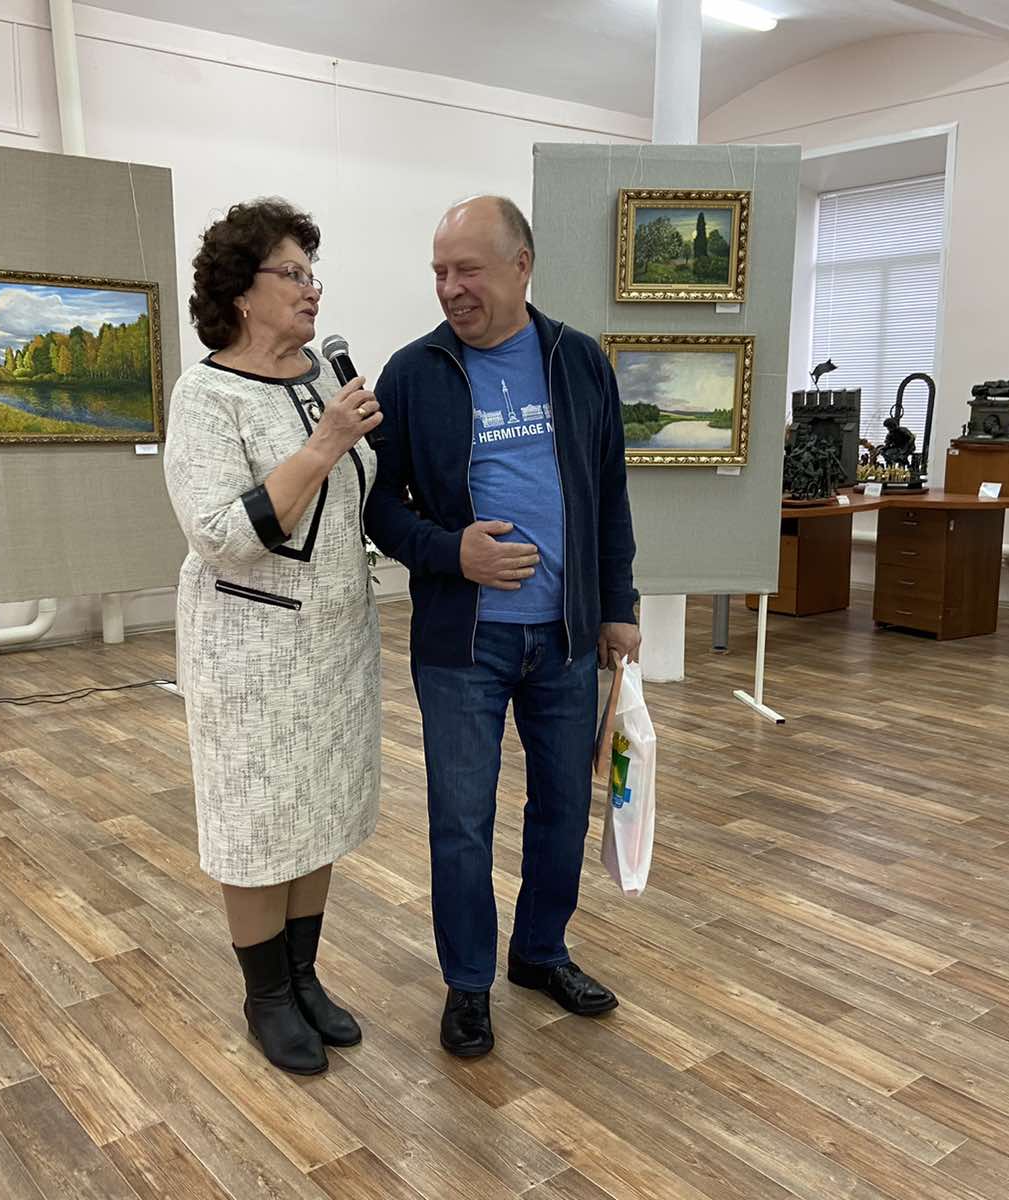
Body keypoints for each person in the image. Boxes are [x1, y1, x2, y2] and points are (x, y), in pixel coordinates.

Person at [364, 195, 640, 1058]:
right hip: (464, 643)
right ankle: (468, 983)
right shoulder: (413, 373)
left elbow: (609, 490)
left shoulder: (578, 360)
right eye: (440, 272)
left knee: (563, 805)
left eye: (468, 270)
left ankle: (541, 951)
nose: (451, 288)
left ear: (521, 266)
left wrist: (620, 605)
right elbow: (379, 507)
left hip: (565, 635)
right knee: (461, 819)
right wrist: (453, 552)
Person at [164, 198, 383, 1076]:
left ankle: (303, 977)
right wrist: (325, 445)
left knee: (318, 808)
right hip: (249, 653)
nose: (310, 288)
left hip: (335, 641)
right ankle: (265, 997)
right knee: (258, 818)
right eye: (292, 273)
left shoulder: (322, 378)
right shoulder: (206, 395)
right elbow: (219, 533)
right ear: (242, 293)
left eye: (312, 273)